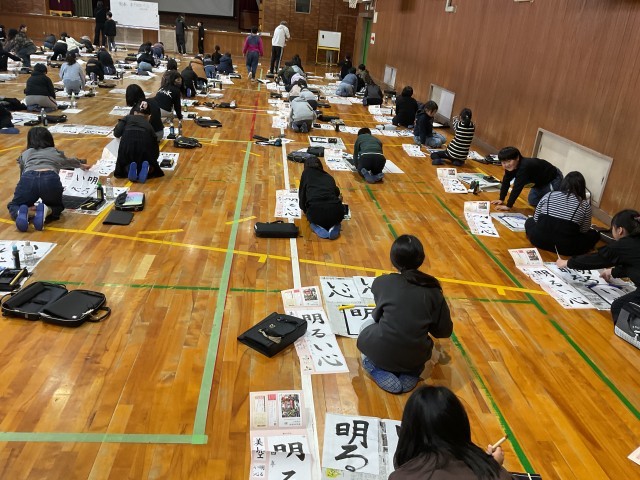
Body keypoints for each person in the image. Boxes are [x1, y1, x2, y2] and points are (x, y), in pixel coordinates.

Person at [357, 235, 453, 393]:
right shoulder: (433, 290)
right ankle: (411, 372)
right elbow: (444, 331)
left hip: (382, 350)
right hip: (414, 358)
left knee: (365, 325)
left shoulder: (382, 282)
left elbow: (377, 317)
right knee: (428, 350)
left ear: (393, 259)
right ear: (421, 259)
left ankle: (373, 366)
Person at [391, 385, 512, 479]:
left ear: (410, 431)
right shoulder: (500, 475)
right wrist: (493, 466)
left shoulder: (401, 476)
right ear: (461, 424)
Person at [557, 210, 640, 323]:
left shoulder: (623, 245)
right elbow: (634, 264)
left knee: (619, 307)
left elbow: (596, 259)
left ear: (620, 230)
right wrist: (612, 272)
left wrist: (567, 262)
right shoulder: (634, 243)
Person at [7, 127, 89, 232]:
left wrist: (23, 190)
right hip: (50, 178)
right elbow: (68, 161)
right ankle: (46, 210)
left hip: (28, 178)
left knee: (14, 204)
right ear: (50, 139)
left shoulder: (25, 154)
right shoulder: (54, 152)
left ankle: (21, 212)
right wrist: (81, 165)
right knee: (57, 206)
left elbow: (22, 172)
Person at [525, 171, 600, 256]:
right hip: (566, 248)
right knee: (594, 235)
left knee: (529, 221)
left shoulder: (549, 195)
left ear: (564, 183)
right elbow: (583, 230)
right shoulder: (585, 205)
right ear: (582, 187)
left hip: (538, 240)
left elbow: (536, 219)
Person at [491, 146, 563, 210]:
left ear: (517, 158)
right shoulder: (511, 167)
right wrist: (501, 199)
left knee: (552, 204)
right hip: (538, 181)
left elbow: (517, 188)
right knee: (533, 201)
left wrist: (508, 206)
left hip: (552, 179)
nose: (506, 165)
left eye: (509, 161)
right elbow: (506, 182)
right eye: (503, 163)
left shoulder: (524, 167)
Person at [113, 100, 164, 183]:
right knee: (149, 161)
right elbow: (154, 146)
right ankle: (147, 168)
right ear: (149, 116)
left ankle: (128, 168)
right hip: (144, 149)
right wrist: (153, 160)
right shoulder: (148, 125)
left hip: (127, 148)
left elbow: (116, 134)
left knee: (123, 162)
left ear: (135, 112)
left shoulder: (127, 118)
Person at [298, 156, 344, 240]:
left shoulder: (306, 174)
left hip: (316, 213)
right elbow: (336, 192)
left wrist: (306, 212)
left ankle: (316, 226)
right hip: (336, 212)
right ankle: (335, 224)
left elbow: (302, 196)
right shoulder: (328, 177)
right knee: (335, 214)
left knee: (312, 218)